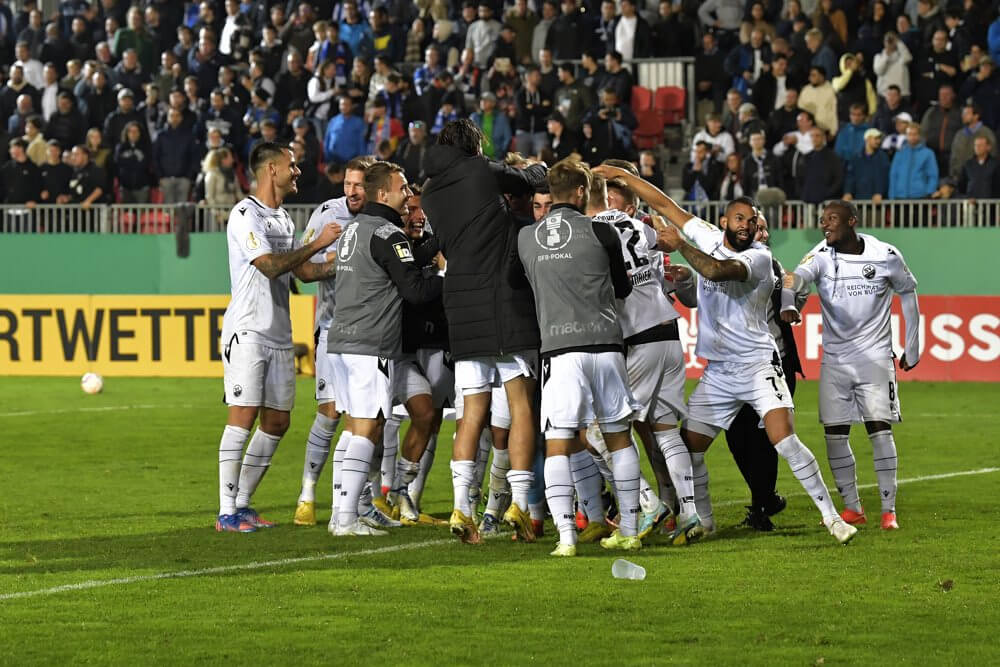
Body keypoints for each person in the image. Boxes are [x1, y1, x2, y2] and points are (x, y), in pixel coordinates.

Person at [596, 165, 858, 544]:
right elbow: (665, 205)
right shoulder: (707, 234)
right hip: (718, 372)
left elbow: (718, 271)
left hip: (757, 366)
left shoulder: (760, 257)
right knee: (689, 446)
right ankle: (703, 521)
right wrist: (621, 174)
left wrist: (680, 246)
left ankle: (834, 519)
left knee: (784, 439)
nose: (745, 225)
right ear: (724, 221)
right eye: (739, 218)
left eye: (751, 220)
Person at [421, 119, 547, 544]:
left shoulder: (430, 190)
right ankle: (520, 504)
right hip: (503, 302)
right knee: (521, 406)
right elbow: (527, 180)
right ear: (474, 146)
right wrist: (534, 168)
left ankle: (462, 507)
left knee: (471, 411)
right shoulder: (479, 169)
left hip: (461, 304)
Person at [215, 141, 342, 533]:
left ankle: (243, 504)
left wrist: (338, 265)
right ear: (272, 169)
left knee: (277, 421)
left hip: (279, 333)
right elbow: (270, 266)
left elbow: (300, 272)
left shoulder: (283, 219)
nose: (297, 171)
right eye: (292, 165)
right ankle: (226, 512)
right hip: (248, 330)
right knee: (243, 416)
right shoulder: (245, 214)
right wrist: (317, 244)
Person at [517, 161, 639, 556]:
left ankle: (567, 538)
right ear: (583, 192)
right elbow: (622, 289)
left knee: (557, 441)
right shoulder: (602, 231)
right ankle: (630, 530)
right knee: (619, 438)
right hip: (605, 345)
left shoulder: (525, 237)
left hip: (559, 350)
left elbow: (525, 286)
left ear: (550, 193)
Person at [781, 200, 920, 532]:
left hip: (875, 359)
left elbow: (909, 292)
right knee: (834, 434)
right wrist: (789, 304)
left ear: (851, 221)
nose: (824, 224)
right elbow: (795, 278)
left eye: (832, 219)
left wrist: (913, 346)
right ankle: (853, 508)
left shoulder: (885, 254)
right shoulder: (820, 255)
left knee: (879, 429)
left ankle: (888, 511)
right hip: (835, 361)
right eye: (822, 219)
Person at [325, 161, 443, 536]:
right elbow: (415, 290)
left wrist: (440, 241)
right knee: (368, 427)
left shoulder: (355, 229)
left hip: (342, 341)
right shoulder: (388, 233)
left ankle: (341, 512)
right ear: (383, 193)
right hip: (369, 343)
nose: (407, 194)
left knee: (353, 428)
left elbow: (403, 261)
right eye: (402, 187)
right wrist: (450, 277)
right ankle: (346, 519)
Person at [586, 173, 702, 545]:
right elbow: (663, 245)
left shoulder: (590, 231)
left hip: (638, 335)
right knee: (665, 429)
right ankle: (690, 514)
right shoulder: (635, 224)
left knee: (602, 430)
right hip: (668, 331)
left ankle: (647, 504)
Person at [292, 156, 373, 527]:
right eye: (348, 184)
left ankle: (360, 501)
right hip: (331, 327)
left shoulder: (381, 216)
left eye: (359, 185)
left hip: (372, 331)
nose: (352, 192)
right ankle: (307, 494)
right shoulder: (327, 214)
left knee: (370, 417)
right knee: (330, 413)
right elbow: (303, 270)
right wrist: (339, 263)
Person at [723, 211, 804, 531]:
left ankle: (761, 506)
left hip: (775, 364)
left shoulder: (772, 267)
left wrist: (791, 301)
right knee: (735, 435)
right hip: (735, 367)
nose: (762, 234)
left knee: (763, 436)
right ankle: (765, 497)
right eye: (757, 228)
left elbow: (794, 286)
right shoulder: (730, 266)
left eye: (764, 229)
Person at [889, 123, 938, 199]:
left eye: (915, 134)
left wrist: (929, 193)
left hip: (920, 196)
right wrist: (892, 196)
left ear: (919, 136)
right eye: (910, 134)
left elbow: (933, 175)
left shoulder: (928, 153)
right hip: (900, 196)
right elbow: (893, 175)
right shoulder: (899, 153)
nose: (912, 137)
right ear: (906, 136)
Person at [843, 128, 890, 202]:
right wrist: (848, 192)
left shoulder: (882, 157)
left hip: (877, 201)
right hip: (858, 199)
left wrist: (879, 192)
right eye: (876, 138)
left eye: (879, 139)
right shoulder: (856, 158)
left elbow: (884, 177)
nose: (878, 141)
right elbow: (850, 176)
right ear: (867, 139)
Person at [323, 96, 366, 164]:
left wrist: (361, 161)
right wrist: (327, 158)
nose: (344, 107)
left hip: (352, 161)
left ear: (352, 106)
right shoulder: (333, 121)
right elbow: (327, 140)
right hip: (334, 161)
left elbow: (362, 142)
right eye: (342, 104)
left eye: (346, 104)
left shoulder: (358, 122)